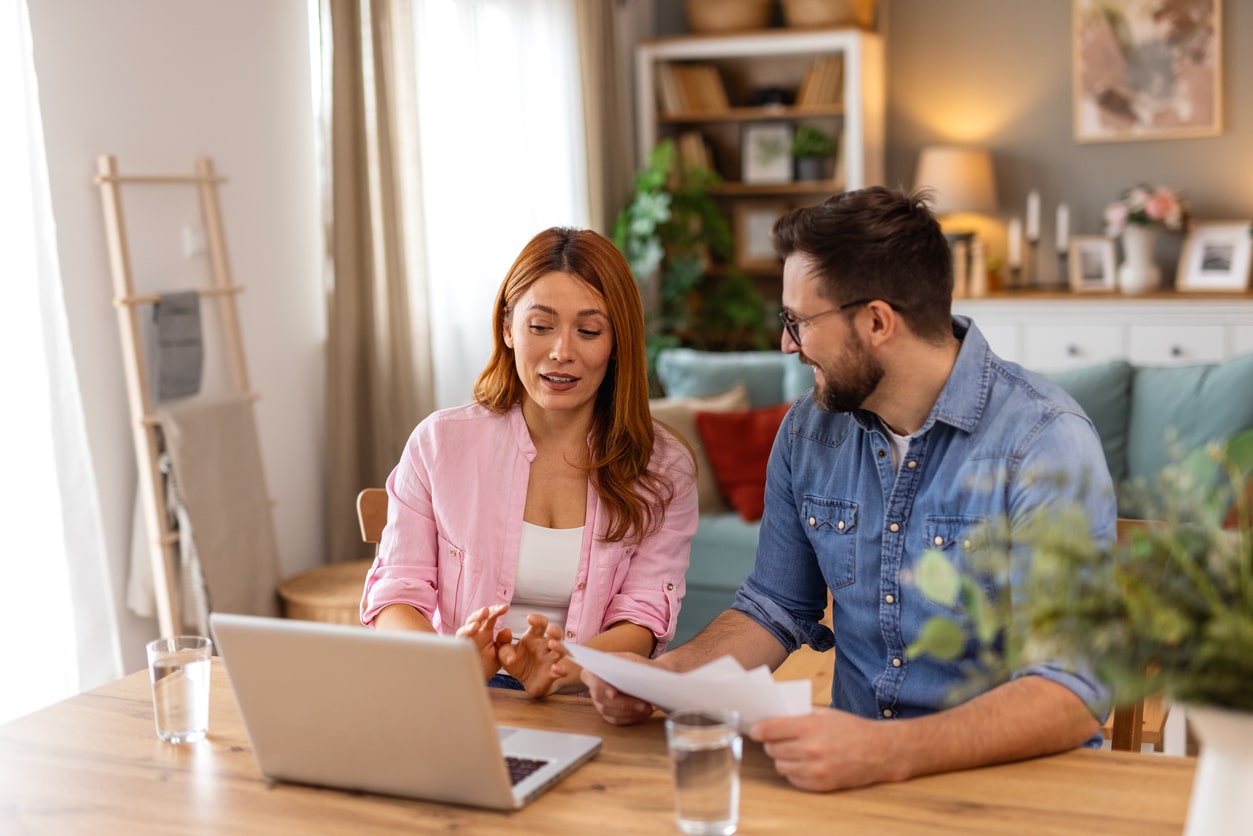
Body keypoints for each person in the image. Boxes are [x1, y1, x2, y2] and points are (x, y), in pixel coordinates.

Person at [571, 187, 1118, 791]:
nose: (786, 344)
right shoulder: (809, 431)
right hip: (854, 780)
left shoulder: (1043, 441)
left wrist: (888, 752)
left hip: (1010, 786)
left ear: (877, 322)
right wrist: (664, 679)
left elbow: (1071, 692)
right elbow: (775, 607)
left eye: (799, 321)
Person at [361, 226, 698, 698]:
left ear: (618, 342)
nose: (562, 351)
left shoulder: (663, 469)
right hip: (458, 697)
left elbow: (642, 619)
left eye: (589, 331)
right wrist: (450, 665)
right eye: (540, 326)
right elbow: (396, 594)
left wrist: (564, 667)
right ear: (508, 328)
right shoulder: (438, 444)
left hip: (590, 699)